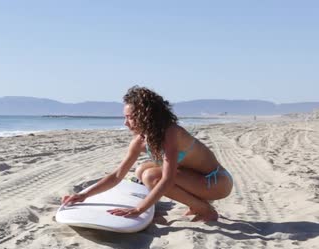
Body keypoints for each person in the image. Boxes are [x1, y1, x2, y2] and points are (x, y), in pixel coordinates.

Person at [62, 86, 233, 222]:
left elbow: (167, 179)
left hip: (217, 182)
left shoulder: (171, 133)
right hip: (196, 178)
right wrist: (84, 195)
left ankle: (205, 210)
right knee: (141, 170)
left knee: (151, 176)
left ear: (146, 115)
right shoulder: (140, 141)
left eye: (130, 117)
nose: (125, 123)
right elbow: (117, 175)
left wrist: (139, 209)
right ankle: (197, 205)